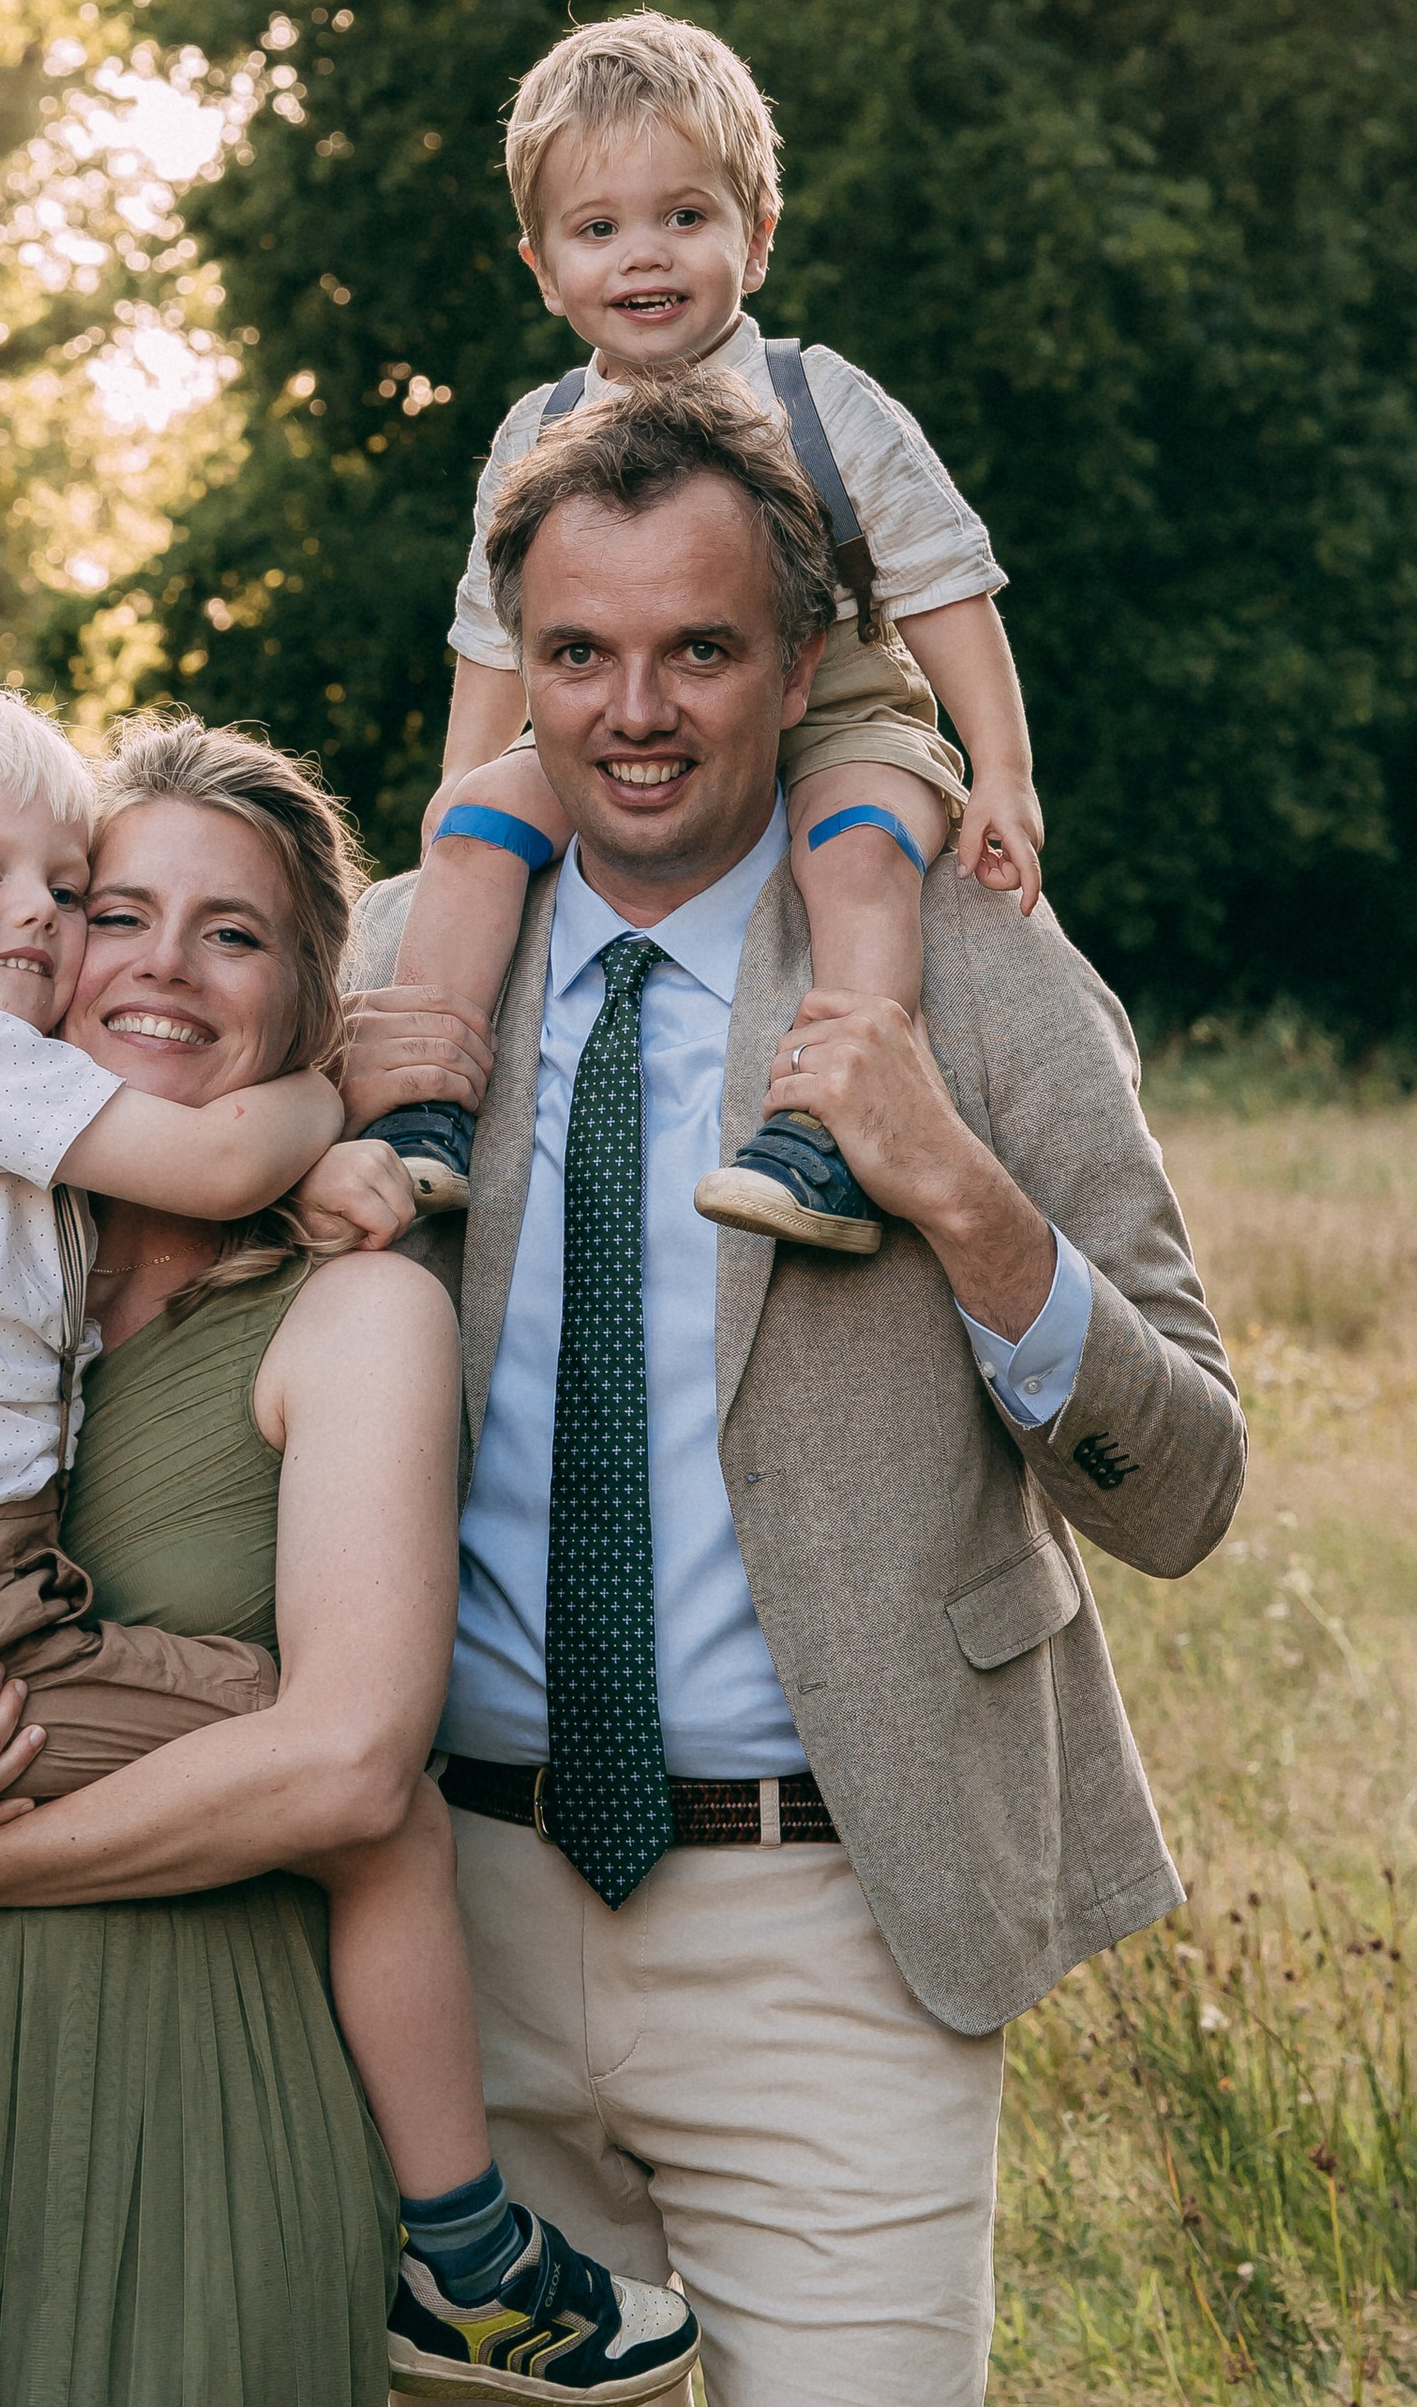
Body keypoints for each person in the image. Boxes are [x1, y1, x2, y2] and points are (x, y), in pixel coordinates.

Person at [0, 716, 695, 2406]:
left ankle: (452, 2251)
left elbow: (343, 1765)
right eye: (117, 912)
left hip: (189, 2073)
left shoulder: (350, 1310)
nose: (158, 964)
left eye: (233, 932)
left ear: (305, 990)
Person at [340, 370, 1249, 2407]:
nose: (631, 710)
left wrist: (957, 1192)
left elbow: (1182, 1484)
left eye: (697, 649)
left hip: (836, 1927)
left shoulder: (969, 973)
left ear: (804, 658)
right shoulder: (391, 979)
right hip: (429, 1940)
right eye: (574, 652)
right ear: (517, 665)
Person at [365, 10, 1043, 1256]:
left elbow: (947, 579)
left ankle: (831, 1134)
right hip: (621, 727)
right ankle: (424, 1104)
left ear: (757, 235)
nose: (646, 257)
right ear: (541, 263)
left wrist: (999, 768)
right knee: (468, 841)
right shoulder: (536, 432)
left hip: (840, 710)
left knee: (855, 858)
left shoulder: (818, 400)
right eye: (599, 227)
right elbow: (495, 628)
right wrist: (466, 777)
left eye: (686, 217)